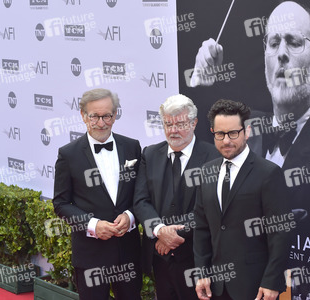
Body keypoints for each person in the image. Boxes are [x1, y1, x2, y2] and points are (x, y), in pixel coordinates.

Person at [190, 1, 310, 292]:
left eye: (293, 42)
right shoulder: (244, 126)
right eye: (273, 42)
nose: (281, 53)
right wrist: (205, 82)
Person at [193, 99, 291, 300]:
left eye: (233, 133)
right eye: (220, 134)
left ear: (246, 131)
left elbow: (280, 232)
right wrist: (202, 273)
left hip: (255, 286)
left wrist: (271, 281)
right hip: (216, 287)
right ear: (213, 132)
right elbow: (202, 227)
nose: (226, 140)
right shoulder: (206, 171)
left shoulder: (268, 173)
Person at [53, 88, 142, 300]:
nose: (101, 123)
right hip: (90, 254)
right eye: (94, 116)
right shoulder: (68, 154)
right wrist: (92, 225)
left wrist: (130, 217)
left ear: (115, 115)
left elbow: (142, 195)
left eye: (107, 116)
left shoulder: (132, 147)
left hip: (127, 250)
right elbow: (61, 203)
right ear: (83, 116)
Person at [133, 94, 219, 300]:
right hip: (159, 258)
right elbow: (140, 200)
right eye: (168, 124)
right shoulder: (150, 154)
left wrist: (173, 236)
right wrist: (160, 230)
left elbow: (212, 209)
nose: (173, 130)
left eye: (180, 123)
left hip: (196, 260)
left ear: (194, 123)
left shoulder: (214, 157)